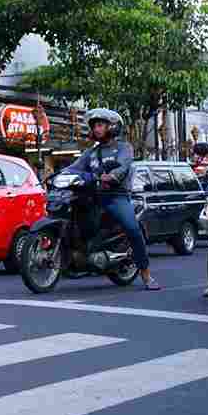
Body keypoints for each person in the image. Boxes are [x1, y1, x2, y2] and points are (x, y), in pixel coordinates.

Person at [67, 108, 160, 290]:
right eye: (94, 126)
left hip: (115, 196)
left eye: (100, 125)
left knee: (133, 229)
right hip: (93, 196)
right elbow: (74, 168)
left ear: (111, 127)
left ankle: (146, 274)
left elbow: (123, 166)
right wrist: (57, 176)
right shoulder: (91, 153)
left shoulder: (123, 148)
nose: (97, 129)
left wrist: (112, 176)